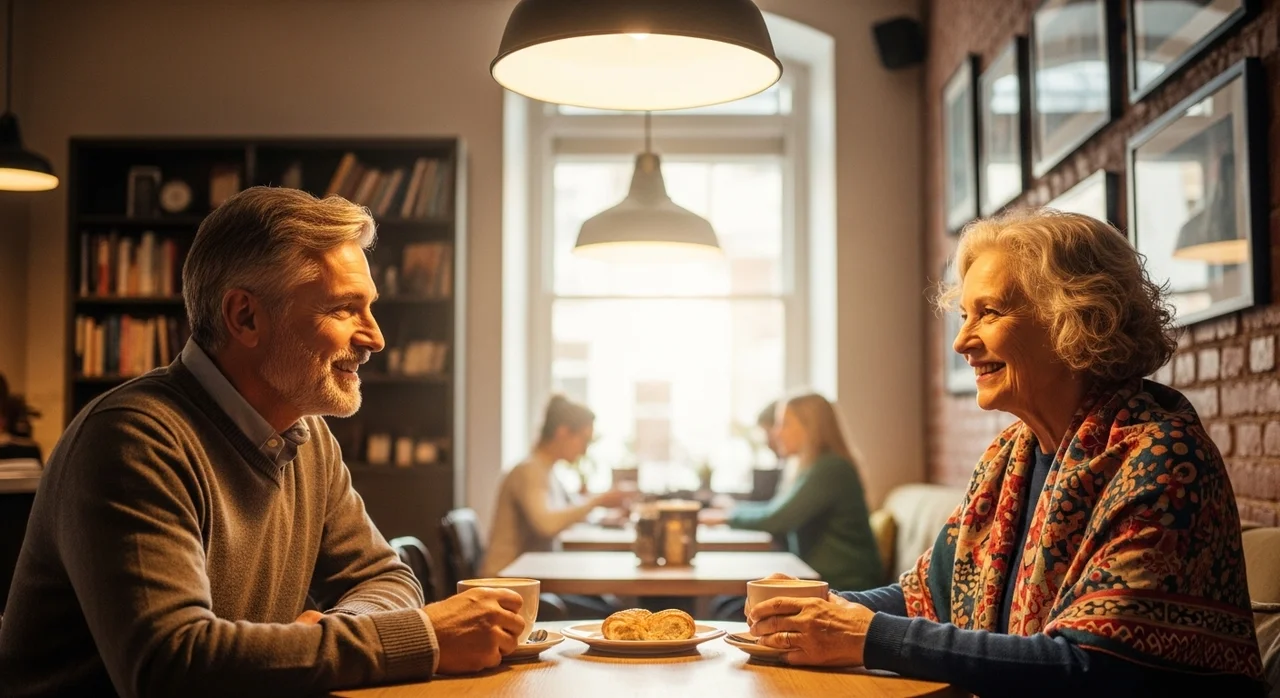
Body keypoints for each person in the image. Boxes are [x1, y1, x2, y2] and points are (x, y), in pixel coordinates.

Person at [0, 187, 525, 697]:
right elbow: (169, 666)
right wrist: (418, 638)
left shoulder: (306, 434)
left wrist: (328, 640)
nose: (375, 337)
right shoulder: (134, 438)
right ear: (245, 317)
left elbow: (384, 576)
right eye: (344, 309)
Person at [747, 210, 1265, 696]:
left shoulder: (1164, 460)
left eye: (989, 313)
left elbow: (1093, 665)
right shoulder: (1008, 458)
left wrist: (867, 635)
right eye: (965, 315)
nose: (962, 342)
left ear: (1076, 319)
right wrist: (812, 608)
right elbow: (929, 592)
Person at [703, 393, 881, 592]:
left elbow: (776, 518)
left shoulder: (830, 468)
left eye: (784, 424)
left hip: (846, 589)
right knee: (727, 604)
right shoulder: (813, 467)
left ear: (810, 427)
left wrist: (726, 516)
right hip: (820, 582)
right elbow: (776, 512)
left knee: (728, 607)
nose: (777, 433)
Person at [480, 395, 628, 578]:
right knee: (606, 604)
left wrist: (603, 514)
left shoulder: (547, 471)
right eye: (584, 440)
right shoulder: (529, 471)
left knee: (604, 601)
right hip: (507, 586)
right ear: (563, 432)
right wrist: (596, 501)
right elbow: (547, 524)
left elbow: (568, 514)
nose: (584, 450)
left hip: (526, 579)